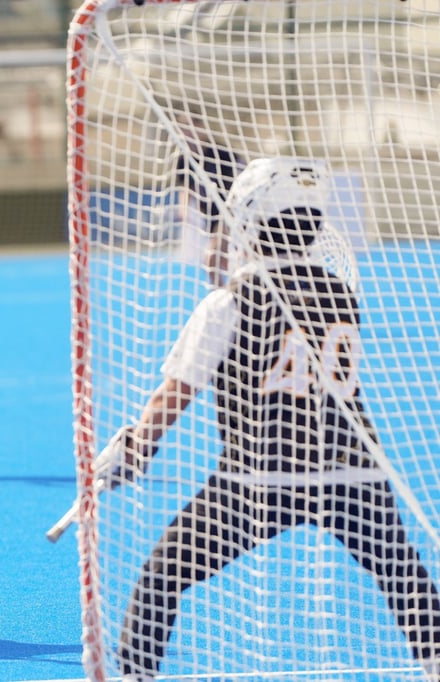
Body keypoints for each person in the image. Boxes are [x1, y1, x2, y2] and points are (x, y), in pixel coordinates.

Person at [100, 157, 440, 680]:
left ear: (249, 224)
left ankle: (133, 674)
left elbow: (178, 391)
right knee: (403, 576)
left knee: (162, 576)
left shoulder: (227, 302)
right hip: (352, 470)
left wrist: (136, 447)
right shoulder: (340, 292)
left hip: (260, 477)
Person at [173, 111, 245, 288]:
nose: (188, 135)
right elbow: (186, 187)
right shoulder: (185, 160)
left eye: (191, 129)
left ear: (201, 128)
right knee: (220, 260)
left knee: (211, 256)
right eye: (183, 131)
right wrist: (183, 209)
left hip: (229, 214)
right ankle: (227, 291)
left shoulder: (221, 155)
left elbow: (238, 181)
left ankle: (222, 292)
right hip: (210, 218)